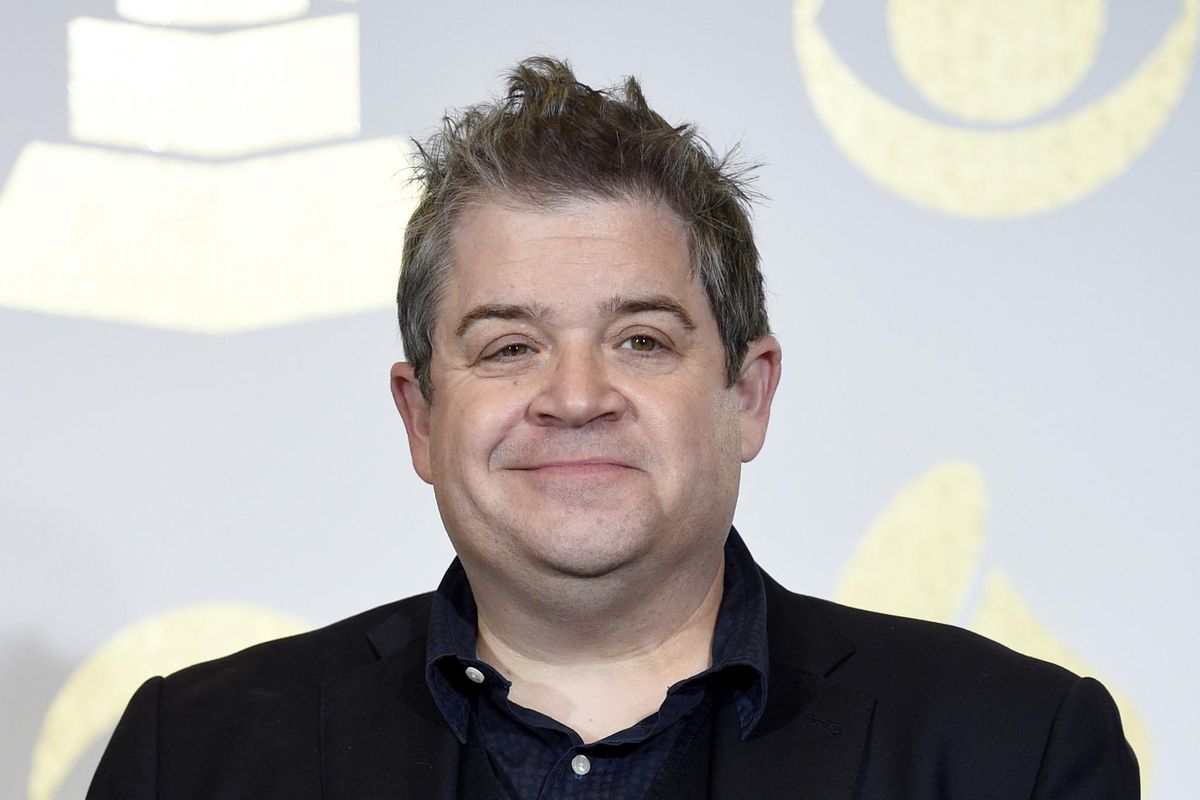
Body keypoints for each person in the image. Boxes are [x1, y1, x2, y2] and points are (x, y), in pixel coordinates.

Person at [88, 57, 1138, 799]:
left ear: (748, 394)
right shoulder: (194, 755)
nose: (576, 395)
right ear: (420, 416)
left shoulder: (1016, 748)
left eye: (640, 339)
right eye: (509, 346)